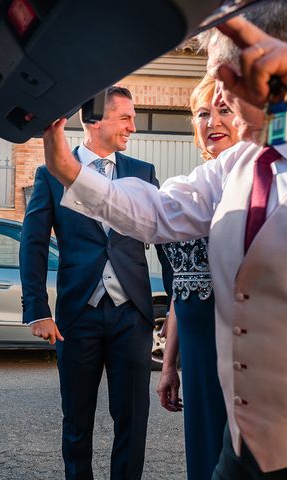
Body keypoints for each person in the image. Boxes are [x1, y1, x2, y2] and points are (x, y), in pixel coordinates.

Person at [41, 4, 287, 478]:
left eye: (226, 78)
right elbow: (157, 212)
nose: (222, 94)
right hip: (248, 444)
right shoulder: (235, 165)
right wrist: (70, 172)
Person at [20, 86, 173, 480]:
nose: (133, 128)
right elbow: (33, 244)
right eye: (126, 118)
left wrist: (175, 306)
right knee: (76, 420)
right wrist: (37, 310)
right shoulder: (52, 172)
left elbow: (165, 241)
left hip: (132, 315)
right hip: (76, 317)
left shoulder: (142, 173)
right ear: (94, 121)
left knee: (132, 419)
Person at [156, 74, 238, 480]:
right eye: (203, 113)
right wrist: (170, 364)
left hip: (240, 350)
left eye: (224, 110)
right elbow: (178, 290)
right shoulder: (190, 189)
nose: (212, 121)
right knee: (203, 453)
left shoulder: (259, 185)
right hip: (196, 349)